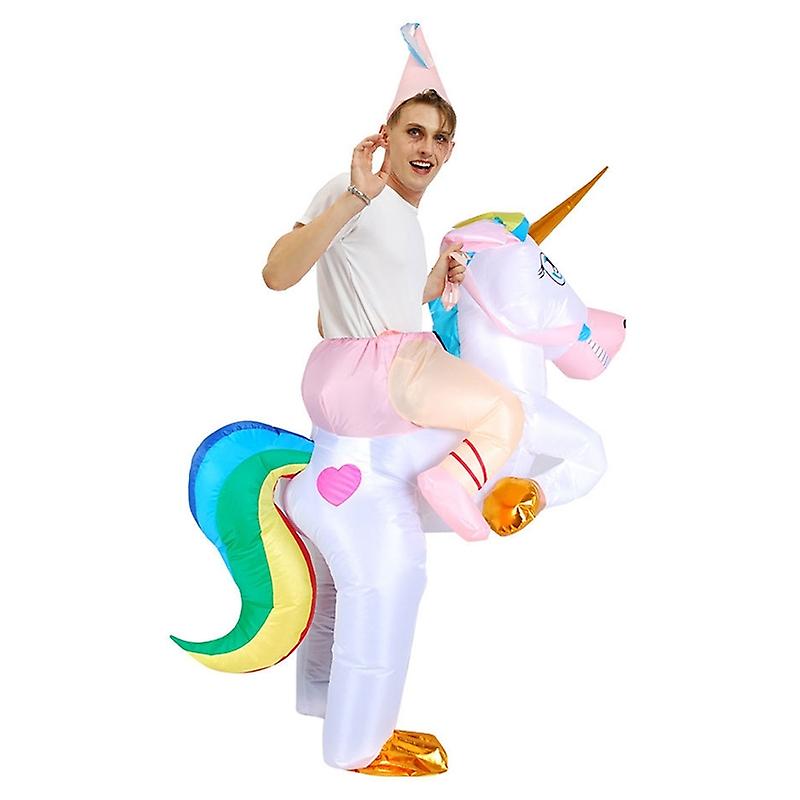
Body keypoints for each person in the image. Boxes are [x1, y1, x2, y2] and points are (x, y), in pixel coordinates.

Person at [261, 24, 524, 775]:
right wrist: (353, 194)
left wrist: (434, 286)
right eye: (415, 131)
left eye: (440, 138)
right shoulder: (357, 195)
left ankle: (322, 694)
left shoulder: (403, 219)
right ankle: (356, 745)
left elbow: (372, 300)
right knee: (503, 415)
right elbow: (280, 273)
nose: (427, 147)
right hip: (366, 382)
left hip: (364, 397)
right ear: (386, 134)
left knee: (346, 582)